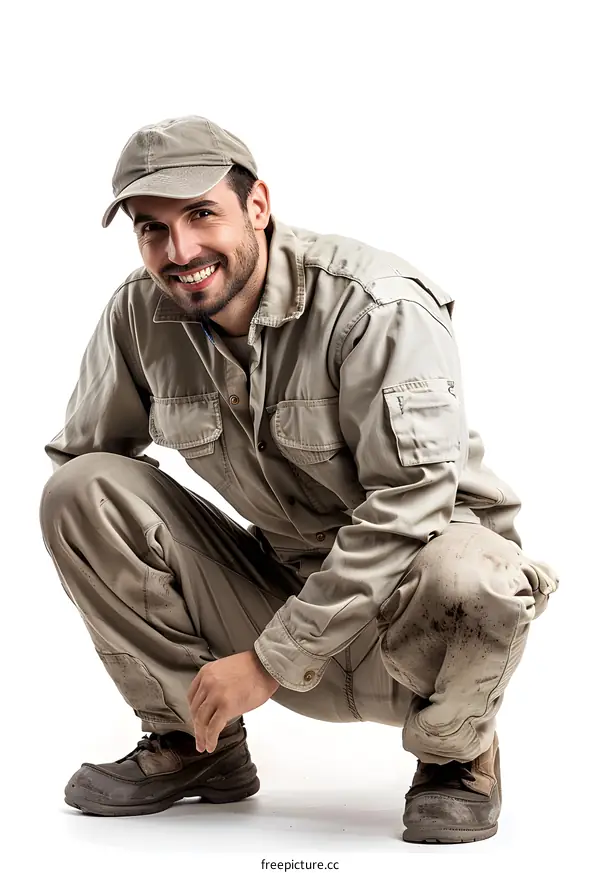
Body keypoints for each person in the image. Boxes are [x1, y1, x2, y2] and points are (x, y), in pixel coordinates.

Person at [39, 115, 559, 844]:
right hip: (274, 589)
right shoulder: (140, 313)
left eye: (199, 214)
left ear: (257, 207)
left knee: (476, 569)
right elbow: (85, 467)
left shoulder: (376, 307)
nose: (178, 250)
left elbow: (410, 508)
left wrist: (271, 658)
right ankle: (194, 742)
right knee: (79, 492)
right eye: (151, 228)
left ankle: (456, 756)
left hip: (416, 626)